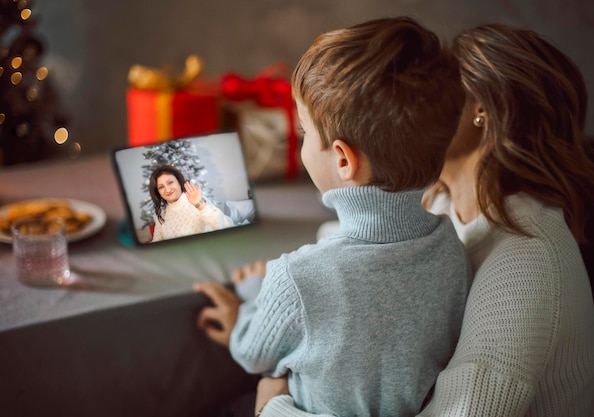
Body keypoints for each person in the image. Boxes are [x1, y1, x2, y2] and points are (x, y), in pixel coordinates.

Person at [254, 23, 594, 417]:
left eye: (446, 82)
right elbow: (366, 245)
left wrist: (273, 409)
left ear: (483, 111)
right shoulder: (442, 201)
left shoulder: (526, 264)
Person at [194, 17, 471, 417]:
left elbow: (255, 355)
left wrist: (247, 303)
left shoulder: (298, 277)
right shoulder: (451, 249)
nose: (303, 144)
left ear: (343, 159)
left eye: (305, 134)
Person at [149, 164, 233, 242]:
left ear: (179, 182)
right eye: (161, 187)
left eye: (170, 182)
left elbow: (226, 227)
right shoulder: (161, 214)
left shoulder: (198, 201)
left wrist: (200, 206)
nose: (167, 190)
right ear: (158, 192)